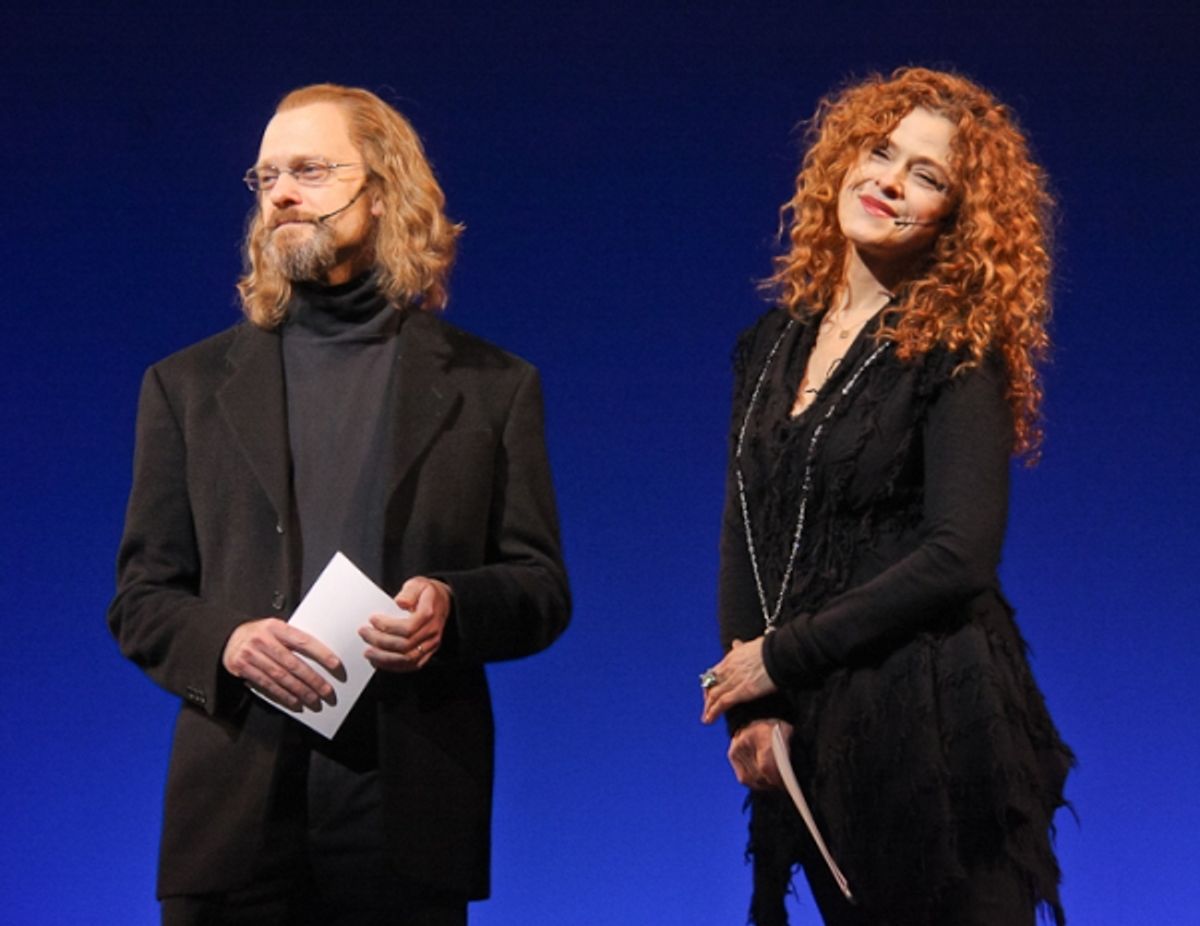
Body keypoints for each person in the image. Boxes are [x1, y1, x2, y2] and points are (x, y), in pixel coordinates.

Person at [108, 83, 570, 925]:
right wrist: (228, 643)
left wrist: (452, 606)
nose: (281, 194)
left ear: (384, 191)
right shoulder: (186, 387)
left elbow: (540, 587)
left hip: (405, 811)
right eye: (266, 177)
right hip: (236, 812)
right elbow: (141, 599)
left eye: (310, 171)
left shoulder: (492, 387)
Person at [700, 68, 1073, 926]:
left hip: (932, 724)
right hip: (811, 726)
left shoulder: (957, 348)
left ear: (956, 218)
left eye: (926, 175)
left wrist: (780, 657)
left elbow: (959, 555)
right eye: (880, 151)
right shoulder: (769, 345)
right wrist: (751, 706)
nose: (890, 181)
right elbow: (743, 528)